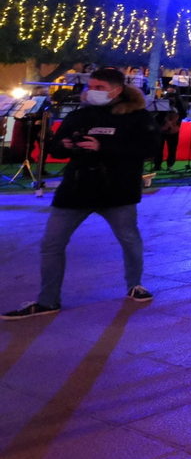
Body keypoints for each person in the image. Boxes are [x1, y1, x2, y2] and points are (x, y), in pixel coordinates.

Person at [5, 67, 155, 319]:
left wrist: (103, 147)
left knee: (130, 240)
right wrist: (63, 145)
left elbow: (148, 149)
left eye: (100, 88)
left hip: (117, 190)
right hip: (76, 188)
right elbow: (55, 148)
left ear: (116, 90)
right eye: (91, 86)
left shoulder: (137, 117)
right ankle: (48, 300)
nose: (92, 91)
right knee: (51, 244)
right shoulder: (79, 115)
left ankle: (135, 285)